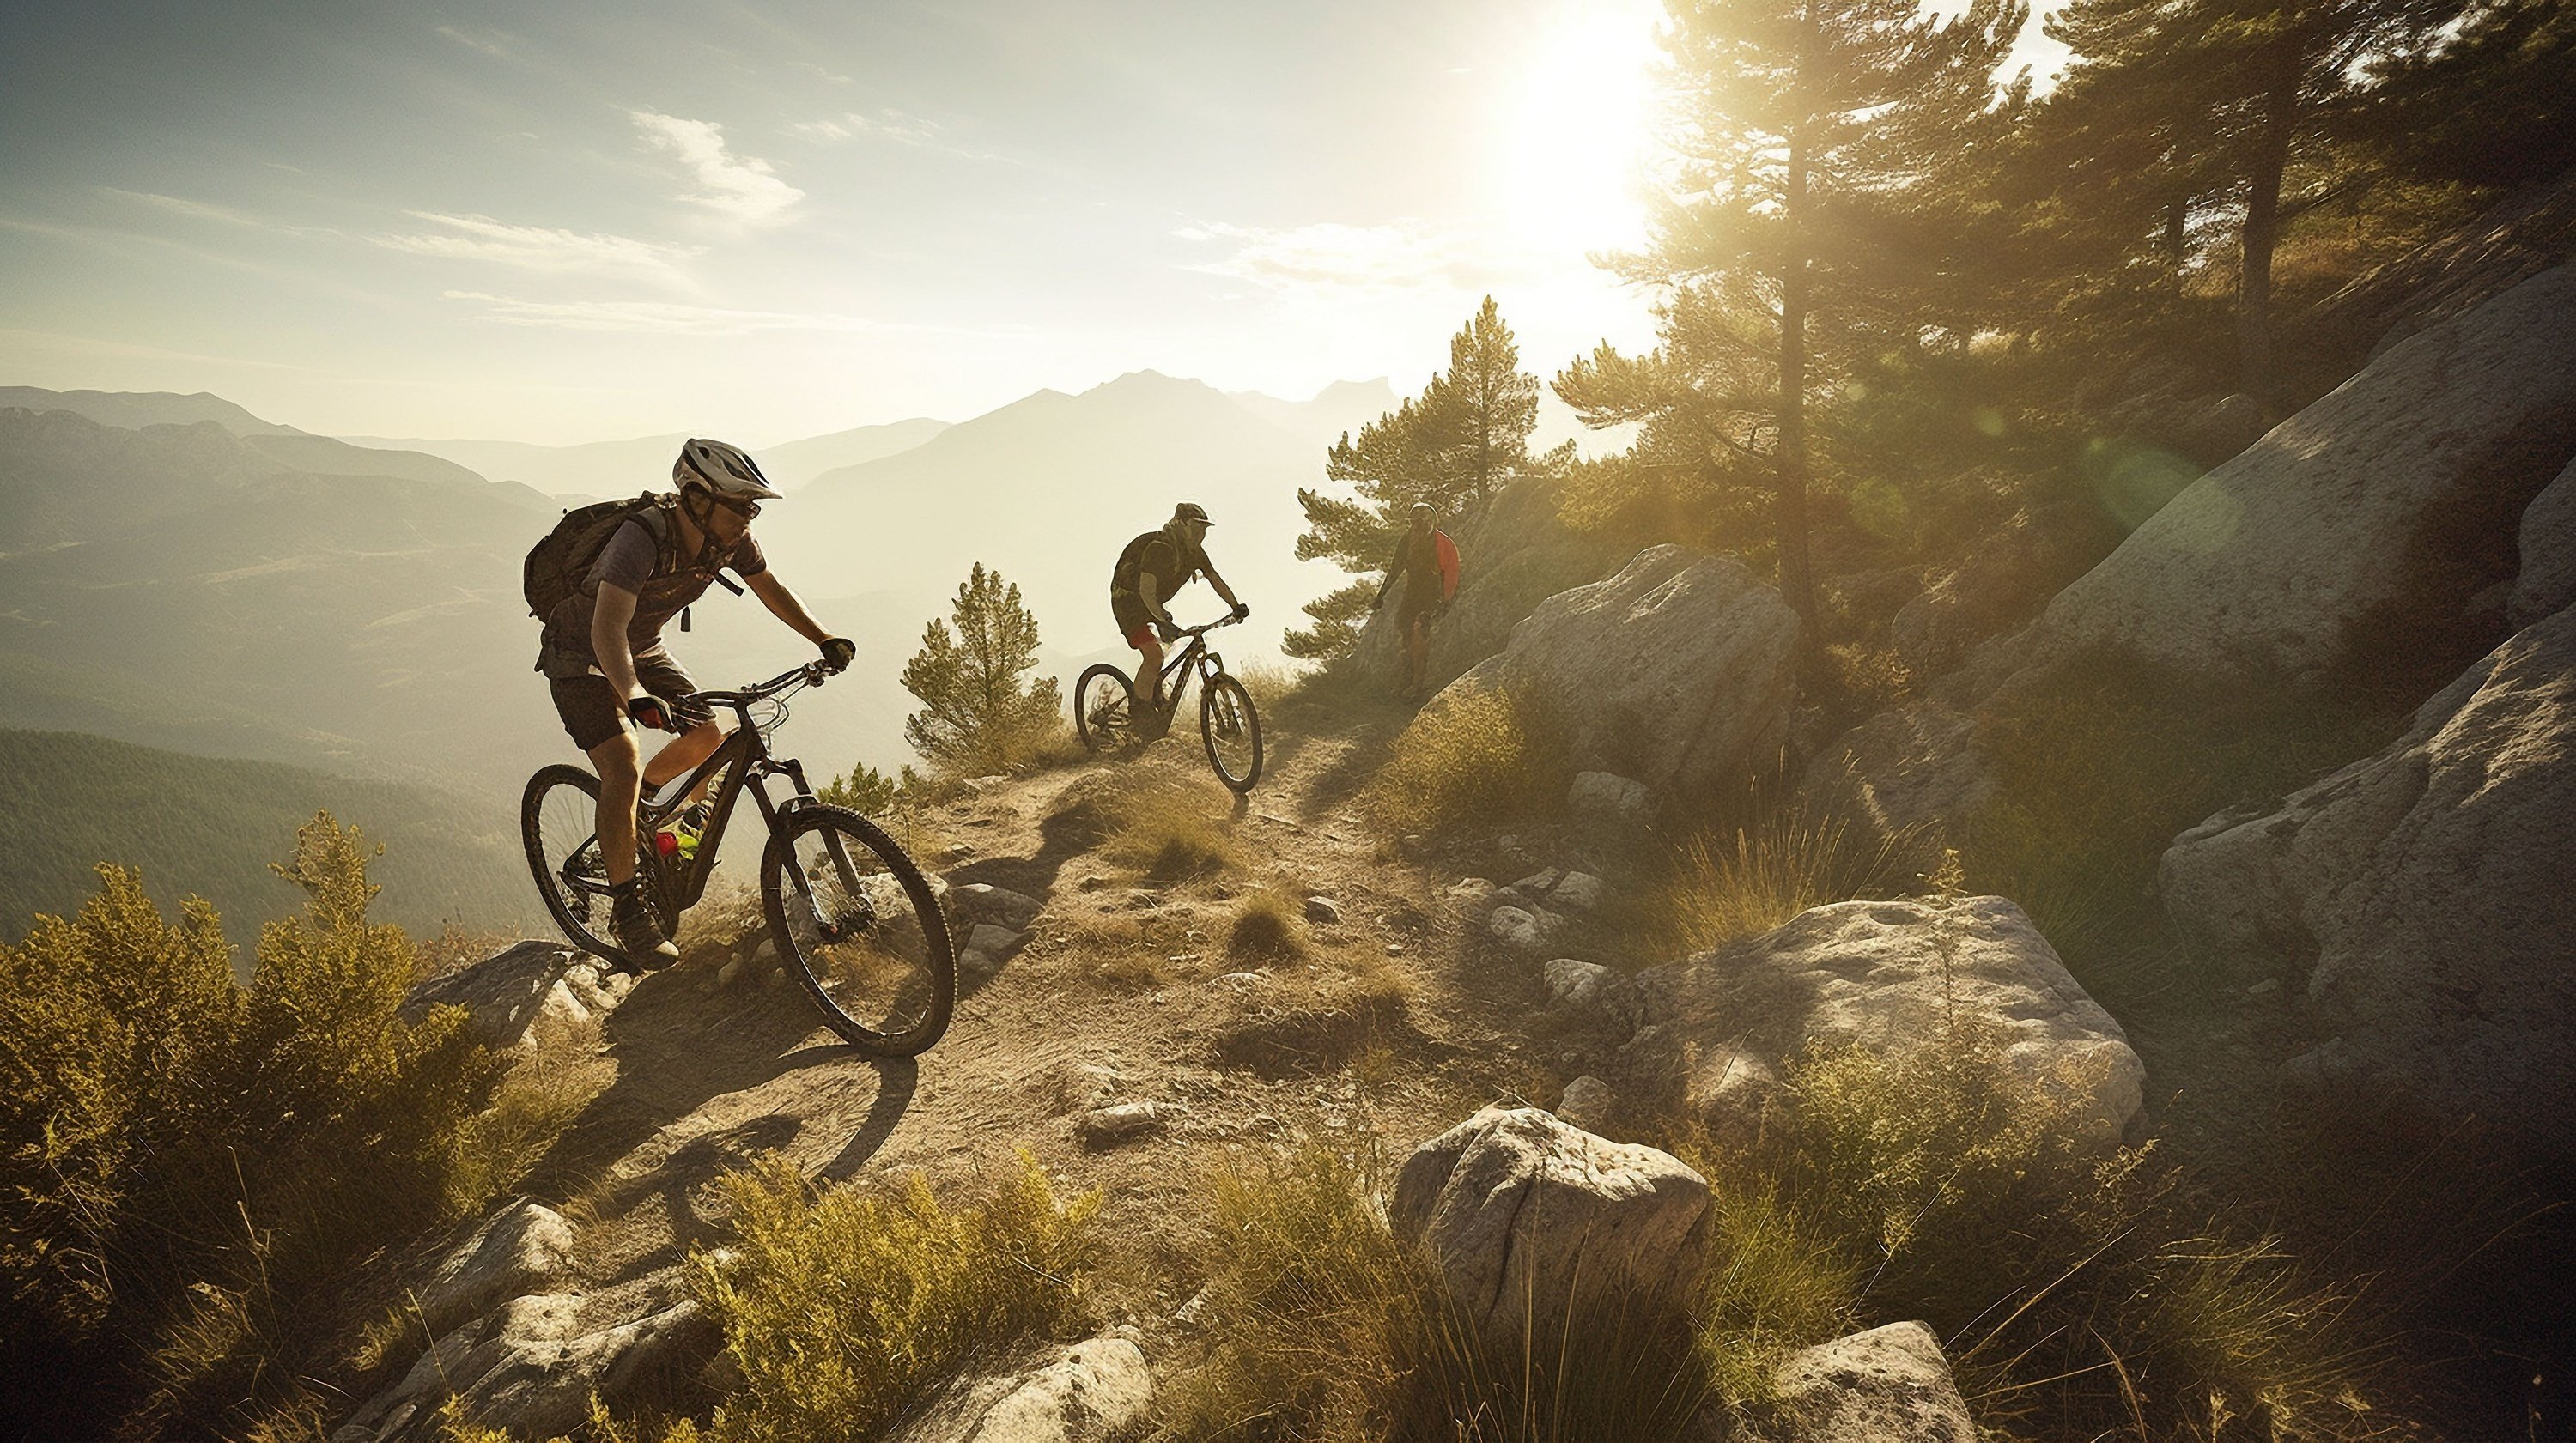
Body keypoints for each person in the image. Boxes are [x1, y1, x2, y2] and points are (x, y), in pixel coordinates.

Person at [537, 438, 856, 972]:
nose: (749, 518)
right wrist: (635, 694)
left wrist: (823, 640)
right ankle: (628, 910)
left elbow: (770, 587)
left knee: (708, 736)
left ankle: (643, 814)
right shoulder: (639, 539)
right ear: (698, 497)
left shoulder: (729, 542)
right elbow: (606, 627)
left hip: (644, 649)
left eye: (754, 508)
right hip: (580, 656)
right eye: (741, 506)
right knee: (622, 765)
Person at [1109, 502, 1248, 722]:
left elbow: (1214, 578)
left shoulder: (1194, 553)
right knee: (1154, 656)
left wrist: (1235, 606)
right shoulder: (1160, 548)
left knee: (1167, 648)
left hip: (1152, 602)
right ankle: (1139, 718)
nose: (1201, 533)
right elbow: (1145, 590)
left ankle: (1152, 695)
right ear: (1181, 525)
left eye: (1204, 529)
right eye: (1196, 527)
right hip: (1128, 603)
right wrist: (1160, 618)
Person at [1370, 501, 1461, 698]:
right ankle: (1407, 679)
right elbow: (1396, 567)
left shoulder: (1443, 543)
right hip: (1413, 592)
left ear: (1430, 522)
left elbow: (1452, 572)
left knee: (1420, 632)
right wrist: (1381, 594)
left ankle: (1418, 684)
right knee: (1405, 632)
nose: (1415, 527)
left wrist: (1446, 600)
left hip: (1432, 594)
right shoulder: (1408, 540)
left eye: (1419, 523)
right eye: (1413, 524)